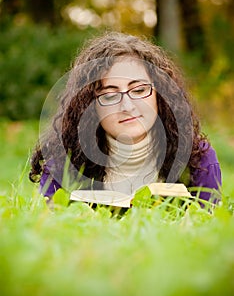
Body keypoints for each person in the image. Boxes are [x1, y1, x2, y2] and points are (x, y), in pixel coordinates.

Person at [29, 32, 222, 206]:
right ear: (89, 105)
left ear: (159, 94)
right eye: (110, 95)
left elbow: (209, 226)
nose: (128, 107)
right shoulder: (61, 161)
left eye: (139, 90)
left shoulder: (198, 159)